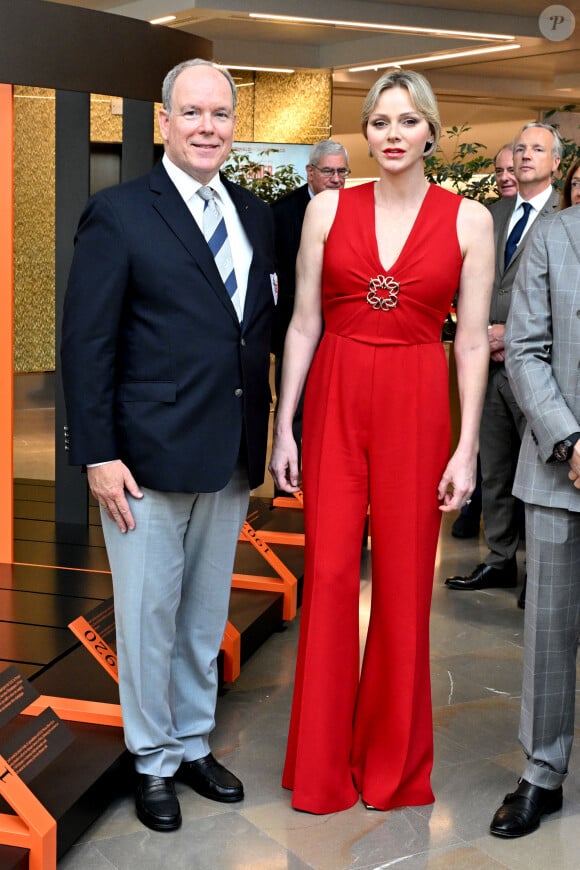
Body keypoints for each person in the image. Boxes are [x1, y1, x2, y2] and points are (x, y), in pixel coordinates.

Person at [269, 68, 493, 815]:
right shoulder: (326, 211)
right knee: (330, 578)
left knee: (403, 586)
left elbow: (469, 346)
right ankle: (325, 767)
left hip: (418, 405)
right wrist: (284, 426)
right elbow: (301, 323)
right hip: (333, 399)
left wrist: (466, 450)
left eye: (406, 121)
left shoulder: (470, 222)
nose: (392, 135)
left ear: (430, 130)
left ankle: (393, 767)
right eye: (379, 122)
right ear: (364, 134)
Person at [60, 59, 276, 832]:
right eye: (192, 113)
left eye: (220, 114)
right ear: (163, 123)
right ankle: (150, 759)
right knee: (148, 616)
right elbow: (86, 344)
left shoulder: (253, 215)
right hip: (141, 462)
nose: (208, 127)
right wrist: (97, 452)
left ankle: (191, 743)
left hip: (228, 456)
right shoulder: (119, 213)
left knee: (201, 614)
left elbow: (254, 334)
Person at [489, 204, 580, 839]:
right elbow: (523, 350)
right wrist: (570, 443)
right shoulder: (553, 235)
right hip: (559, 468)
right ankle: (542, 772)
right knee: (549, 630)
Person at [445, 123, 561, 595]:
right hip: (487, 365)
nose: (526, 155)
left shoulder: (566, 215)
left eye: (538, 149)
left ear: (557, 162)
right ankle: (499, 558)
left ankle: (541, 572)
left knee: (538, 474)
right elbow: (465, 280)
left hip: (537, 366)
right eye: (520, 148)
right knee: (494, 467)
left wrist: (508, 334)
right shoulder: (491, 214)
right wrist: (475, 332)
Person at [271, 140, 350, 492]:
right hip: (295, 330)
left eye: (341, 172)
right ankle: (289, 494)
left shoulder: (357, 210)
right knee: (294, 414)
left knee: (335, 419)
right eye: (328, 171)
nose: (335, 179)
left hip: (341, 335)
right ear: (311, 172)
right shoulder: (281, 213)